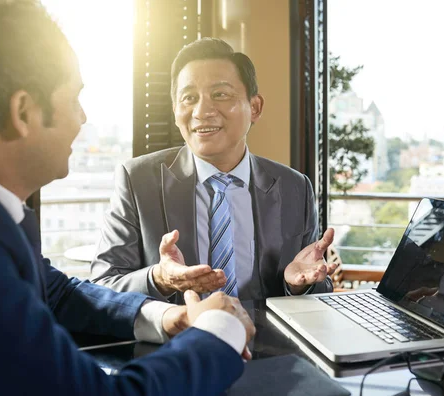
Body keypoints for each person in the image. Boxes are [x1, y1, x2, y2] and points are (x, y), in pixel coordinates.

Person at [0, 1, 255, 396]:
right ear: (23, 111)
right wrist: (219, 331)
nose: (83, 119)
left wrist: (169, 317)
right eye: (74, 100)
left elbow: (56, 293)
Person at [90, 38, 338, 304]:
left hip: (268, 344)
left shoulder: (294, 187)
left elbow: (316, 287)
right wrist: (159, 279)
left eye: (220, 95)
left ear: (255, 107)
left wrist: (298, 287)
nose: (202, 111)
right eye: (189, 98)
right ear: (175, 110)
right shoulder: (137, 181)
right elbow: (102, 287)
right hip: (178, 342)